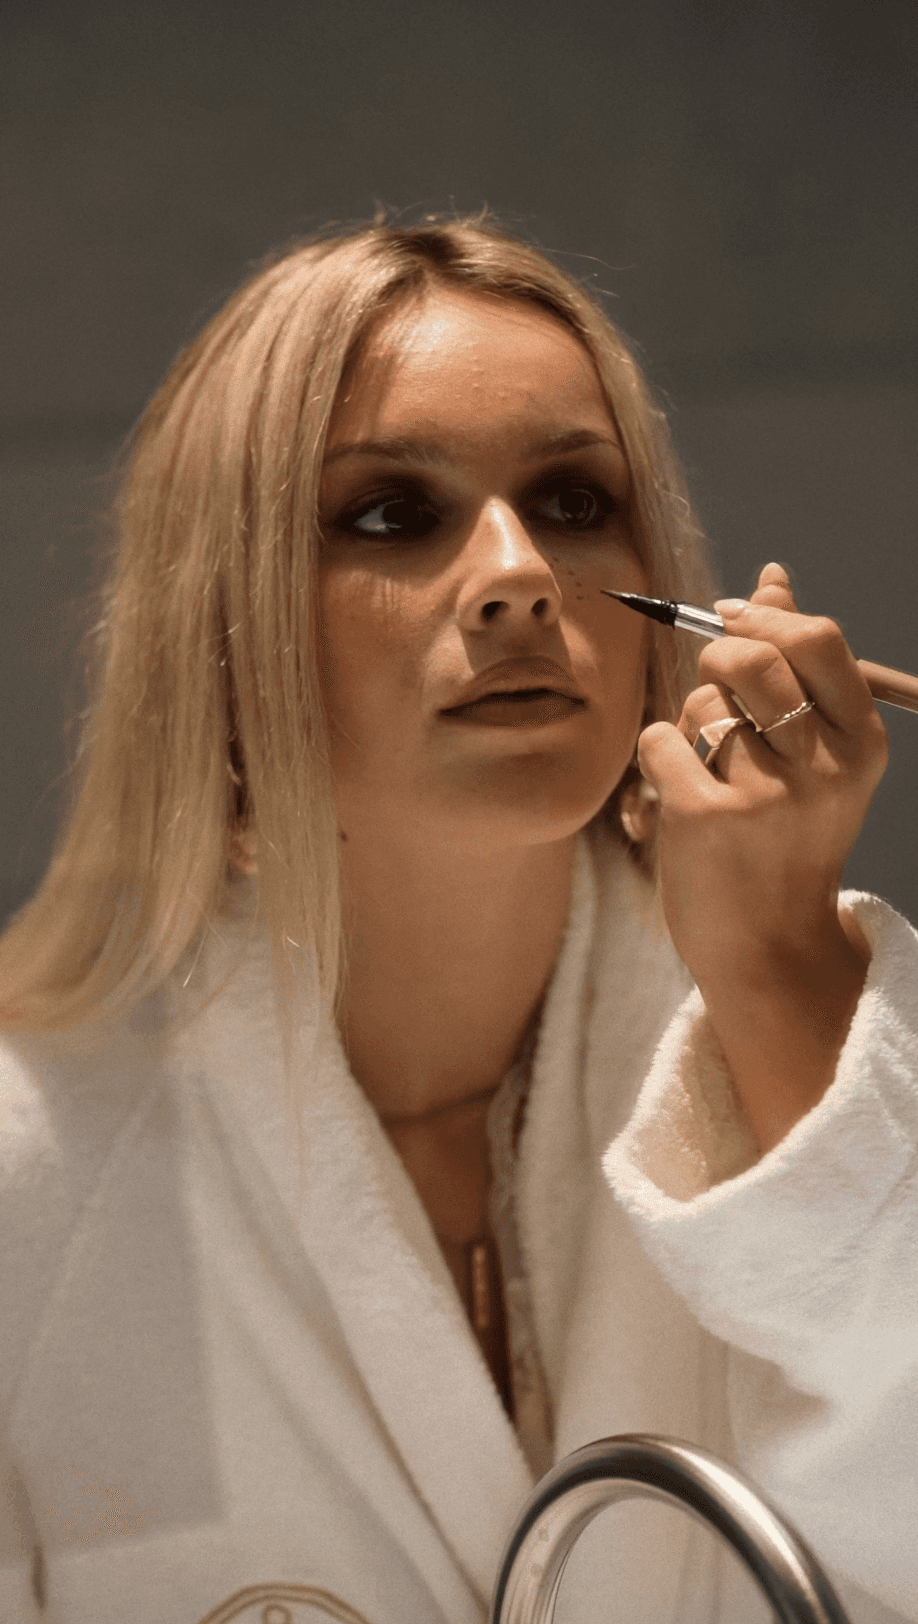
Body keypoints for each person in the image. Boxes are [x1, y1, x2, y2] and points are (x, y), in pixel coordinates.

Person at [1, 216, 916, 1624]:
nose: (516, 573)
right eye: (388, 514)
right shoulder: (32, 1166)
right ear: (226, 627)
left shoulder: (816, 1048)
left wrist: (773, 959)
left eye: (568, 500)